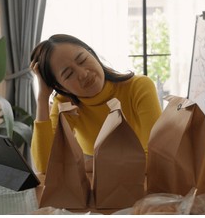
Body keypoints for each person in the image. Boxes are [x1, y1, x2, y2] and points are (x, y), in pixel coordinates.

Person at [30, 34, 162, 173]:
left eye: (82, 60)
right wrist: (42, 98)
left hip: (144, 183)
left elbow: (156, 158)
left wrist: (90, 164)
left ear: (91, 53)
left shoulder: (138, 87)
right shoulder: (66, 103)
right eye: (68, 74)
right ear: (61, 87)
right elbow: (44, 166)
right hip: (97, 184)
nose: (83, 73)